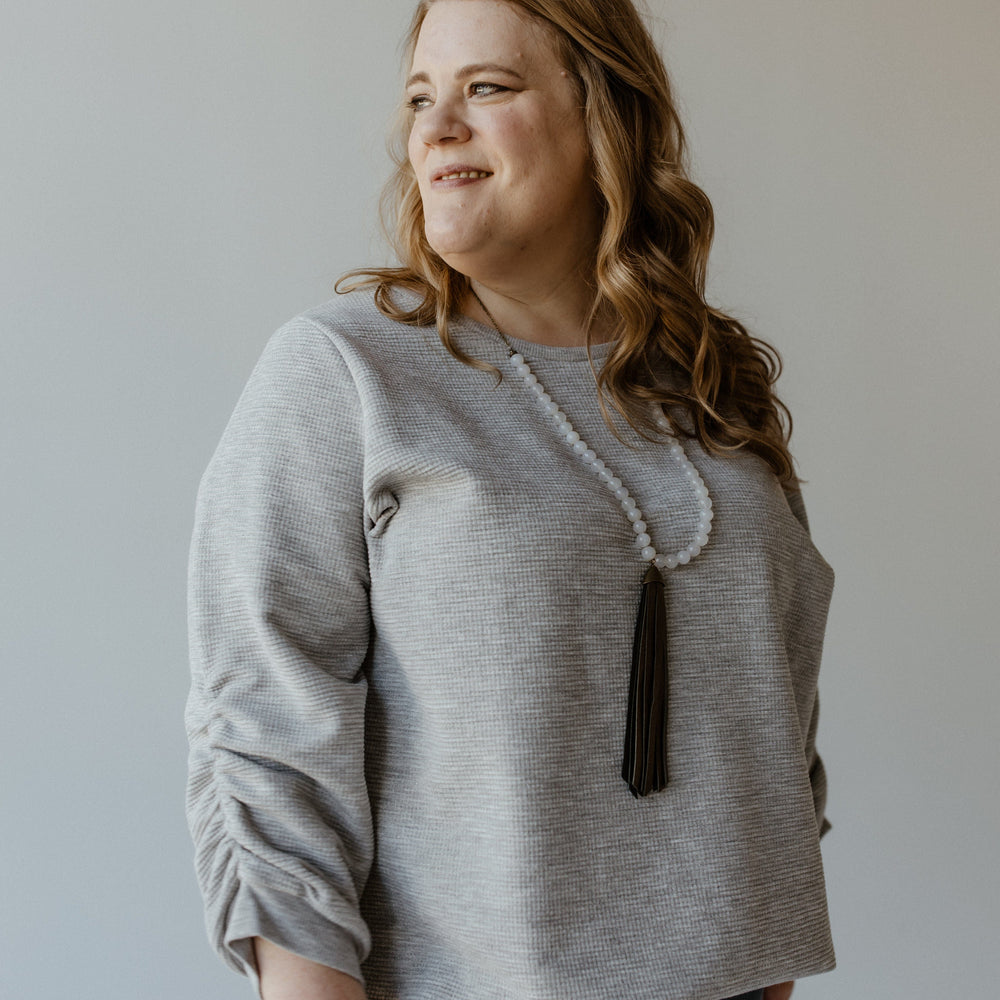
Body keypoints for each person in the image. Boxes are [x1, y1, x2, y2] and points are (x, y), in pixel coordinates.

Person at [184, 1, 835, 998]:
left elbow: (775, 748)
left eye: (486, 87)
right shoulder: (345, 373)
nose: (436, 127)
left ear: (602, 112)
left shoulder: (713, 389)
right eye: (419, 98)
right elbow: (268, 742)